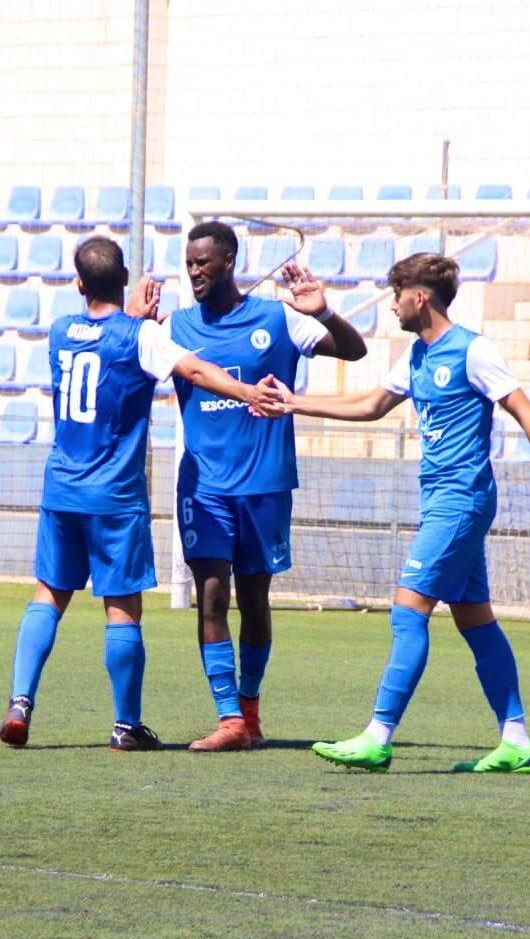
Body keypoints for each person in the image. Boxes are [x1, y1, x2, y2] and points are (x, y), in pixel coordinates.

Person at [256, 252, 530, 773]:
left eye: (396, 296)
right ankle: (517, 740)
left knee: (407, 609)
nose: (392, 306)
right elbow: (370, 405)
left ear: (420, 298)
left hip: (462, 499)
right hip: (441, 499)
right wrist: (295, 403)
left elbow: (524, 410)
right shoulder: (416, 356)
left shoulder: (472, 351)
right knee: (475, 619)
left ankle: (378, 734)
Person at [0, 237, 280, 750]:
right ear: (125, 277)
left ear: (79, 284)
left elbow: (101, 334)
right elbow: (192, 368)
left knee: (48, 594)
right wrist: (245, 391)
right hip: (113, 497)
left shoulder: (61, 331)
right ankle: (126, 725)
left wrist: (131, 318)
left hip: (61, 487)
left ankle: (20, 702)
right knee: (122, 609)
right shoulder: (140, 338)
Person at [169, 221, 368, 752]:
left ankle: (251, 712)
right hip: (203, 485)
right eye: (188, 263)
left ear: (229, 261)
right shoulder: (174, 326)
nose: (194, 273)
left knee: (255, 599)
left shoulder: (278, 318)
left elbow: (354, 352)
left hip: (264, 485)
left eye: (202, 263)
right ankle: (229, 718)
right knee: (211, 595)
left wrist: (323, 312)